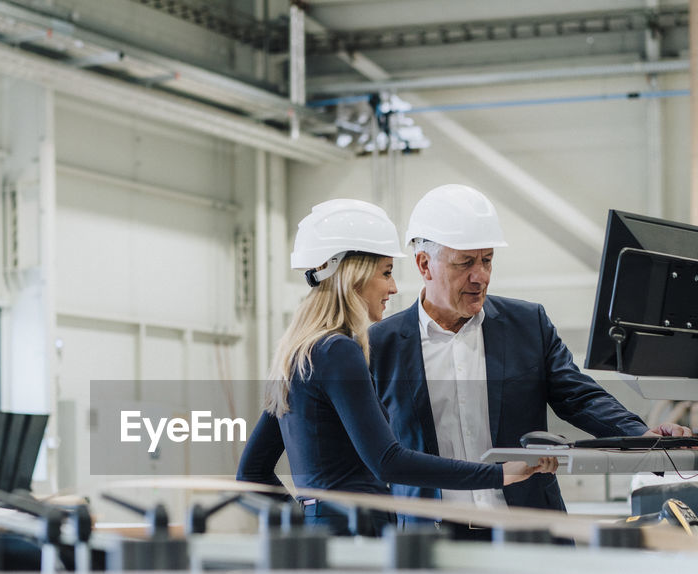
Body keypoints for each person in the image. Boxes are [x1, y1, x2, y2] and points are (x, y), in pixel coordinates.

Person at [235, 198, 557, 535]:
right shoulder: (339, 350)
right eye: (386, 272)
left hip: (329, 535)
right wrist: (501, 472)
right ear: (353, 276)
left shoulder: (299, 353)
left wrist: (303, 523)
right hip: (358, 535)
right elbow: (388, 461)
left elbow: (251, 474)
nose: (393, 287)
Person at [368, 184, 691, 516]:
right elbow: (372, 454)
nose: (480, 276)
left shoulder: (527, 324)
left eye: (487, 260)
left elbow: (580, 397)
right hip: (430, 538)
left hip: (527, 526)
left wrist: (641, 435)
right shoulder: (381, 345)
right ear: (424, 265)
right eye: (465, 263)